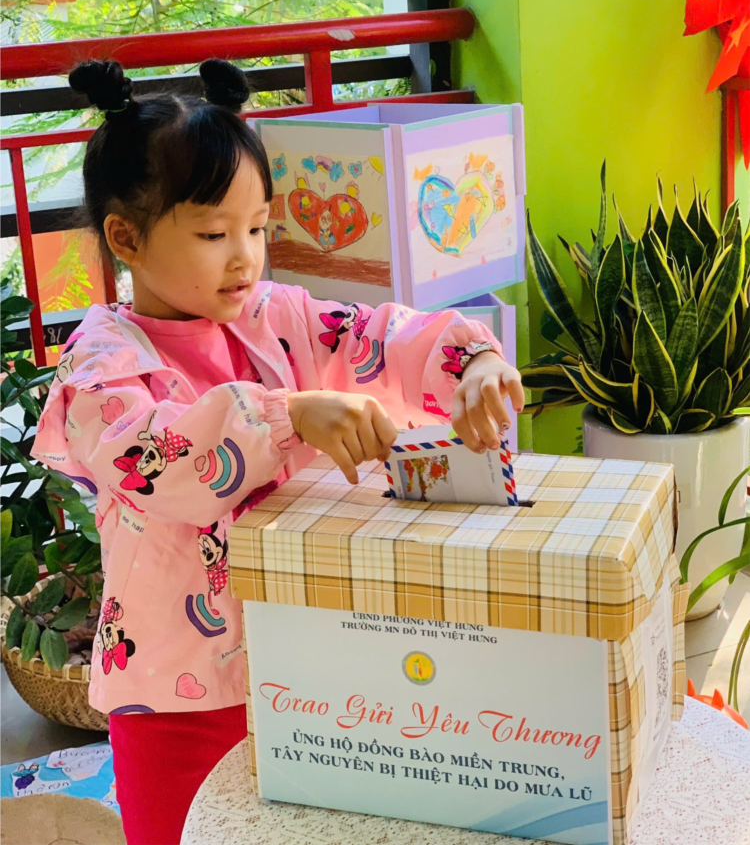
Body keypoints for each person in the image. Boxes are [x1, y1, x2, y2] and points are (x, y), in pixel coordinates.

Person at [32, 57, 525, 845]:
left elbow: (373, 335)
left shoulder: (277, 316)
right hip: (176, 693)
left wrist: (472, 361)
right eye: (214, 234)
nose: (246, 256)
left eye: (258, 227)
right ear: (126, 237)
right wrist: (290, 414)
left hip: (310, 658)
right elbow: (157, 460)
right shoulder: (101, 362)